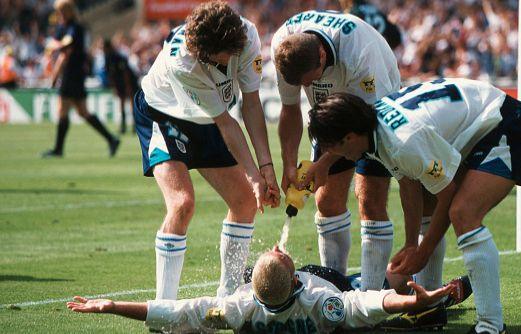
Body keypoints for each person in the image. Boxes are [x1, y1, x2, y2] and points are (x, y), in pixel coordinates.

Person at [308, 78, 521, 334]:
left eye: (332, 147)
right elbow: (409, 184)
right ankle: (427, 311)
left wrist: (423, 250)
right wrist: (412, 244)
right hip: (480, 125)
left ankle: (491, 326)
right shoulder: (372, 128)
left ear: (350, 137)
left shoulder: (402, 141)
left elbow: (448, 193)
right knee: (430, 200)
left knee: (463, 213)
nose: (335, 154)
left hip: (507, 124)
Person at [133, 1, 280, 301]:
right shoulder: (183, 63)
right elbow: (226, 123)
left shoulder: (247, 35)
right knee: (182, 204)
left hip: (209, 118)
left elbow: (250, 103)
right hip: (165, 113)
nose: (230, 64)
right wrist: (253, 176)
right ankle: (165, 310)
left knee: (244, 203)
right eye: (223, 60)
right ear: (204, 54)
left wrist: (266, 167)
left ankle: (228, 296)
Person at [271, 9, 401, 293]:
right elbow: (290, 109)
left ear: (321, 56)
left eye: (310, 80)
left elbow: (367, 121)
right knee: (326, 202)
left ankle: (371, 298)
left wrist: (325, 162)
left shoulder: (359, 52)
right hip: (331, 113)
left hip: (375, 110)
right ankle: (335, 287)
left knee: (369, 199)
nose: (306, 87)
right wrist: (290, 165)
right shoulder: (283, 45)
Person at [67, 245, 454, 333]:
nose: (278, 249)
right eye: (282, 256)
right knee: (380, 280)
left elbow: (178, 312)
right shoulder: (318, 298)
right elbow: (363, 304)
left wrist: (113, 305)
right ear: (296, 277)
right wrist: (406, 298)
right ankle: (427, 302)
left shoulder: (239, 308)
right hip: (334, 288)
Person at [42, 0, 120, 158]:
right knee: (83, 112)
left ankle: (58, 149)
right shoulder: (66, 27)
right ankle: (111, 139)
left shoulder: (74, 28)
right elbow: (57, 46)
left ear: (67, 12)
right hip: (75, 74)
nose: (58, 15)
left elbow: (64, 51)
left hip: (73, 73)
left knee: (63, 110)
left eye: (60, 12)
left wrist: (55, 75)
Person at [103, 38, 139, 134]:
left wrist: (128, 87)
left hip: (130, 82)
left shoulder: (118, 57)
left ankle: (135, 127)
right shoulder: (107, 57)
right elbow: (110, 74)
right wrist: (115, 87)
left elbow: (126, 73)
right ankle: (123, 127)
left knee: (132, 104)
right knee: (122, 104)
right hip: (119, 83)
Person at [338, 0, 402, 49]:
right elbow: (396, 37)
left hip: (363, 59)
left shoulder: (352, 13)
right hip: (380, 56)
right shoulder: (376, 10)